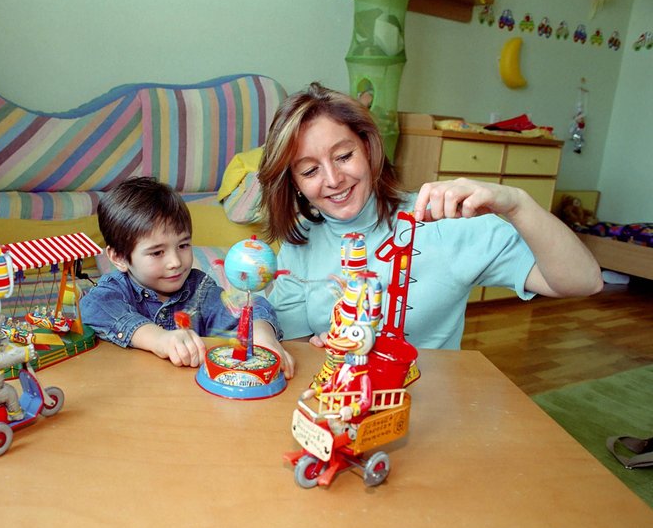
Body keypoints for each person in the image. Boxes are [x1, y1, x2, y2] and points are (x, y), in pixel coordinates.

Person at [257, 82, 603, 350]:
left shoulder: (442, 222)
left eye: (344, 156)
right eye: (310, 170)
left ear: (368, 146)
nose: (333, 180)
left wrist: (517, 204)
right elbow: (296, 348)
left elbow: (583, 281)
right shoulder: (298, 244)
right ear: (295, 184)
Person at [80, 176, 294, 377]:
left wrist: (263, 334)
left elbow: (249, 305)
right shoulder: (114, 291)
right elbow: (92, 308)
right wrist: (159, 339)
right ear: (118, 257)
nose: (175, 262)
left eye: (183, 245)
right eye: (157, 252)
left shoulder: (199, 289)